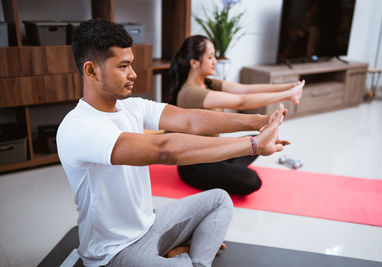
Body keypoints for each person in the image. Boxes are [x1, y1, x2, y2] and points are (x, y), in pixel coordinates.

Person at [57, 18, 289, 267]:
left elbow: (190, 120)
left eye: (131, 64)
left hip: (151, 224)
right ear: (91, 70)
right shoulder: (78, 128)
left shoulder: (131, 107)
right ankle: (192, 260)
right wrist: (253, 145)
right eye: (123, 66)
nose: (133, 74)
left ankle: (186, 257)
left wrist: (259, 121)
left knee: (220, 200)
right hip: (114, 253)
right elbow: (163, 150)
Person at [169, 35, 304, 195]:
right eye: (210, 57)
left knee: (261, 139)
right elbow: (242, 101)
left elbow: (246, 90)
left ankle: (226, 168)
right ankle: (226, 169)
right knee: (252, 180)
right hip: (195, 164)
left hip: (216, 152)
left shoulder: (208, 83)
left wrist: (289, 87)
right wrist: (288, 95)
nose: (215, 61)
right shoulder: (191, 93)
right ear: (194, 62)